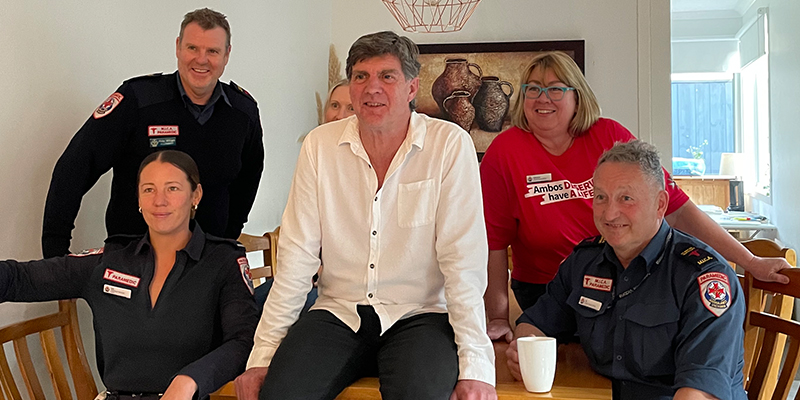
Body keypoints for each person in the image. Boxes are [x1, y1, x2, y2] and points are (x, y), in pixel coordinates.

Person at [234, 31, 496, 400]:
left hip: (420, 316)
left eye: (387, 76)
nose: (372, 88)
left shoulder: (449, 145)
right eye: (361, 76)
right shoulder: (319, 147)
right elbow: (296, 260)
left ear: (411, 87)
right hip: (339, 312)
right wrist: (262, 356)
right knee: (283, 393)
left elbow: (463, 263)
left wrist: (477, 368)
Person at [480, 51, 790, 342]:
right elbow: (493, 243)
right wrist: (497, 317)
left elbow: (677, 209)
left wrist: (749, 261)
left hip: (623, 279)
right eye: (532, 89)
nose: (541, 98)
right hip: (547, 289)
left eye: (555, 88)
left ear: (578, 96)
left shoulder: (609, 136)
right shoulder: (504, 153)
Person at [1, 150, 259, 400]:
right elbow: (19, 279)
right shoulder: (109, 261)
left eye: (172, 188)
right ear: (138, 199)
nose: (159, 200)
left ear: (196, 195)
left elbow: (242, 341)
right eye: (149, 189)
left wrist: (189, 381)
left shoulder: (223, 261)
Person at [507, 140, 747, 400]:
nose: (610, 214)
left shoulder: (702, 277)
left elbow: (699, 393)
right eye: (601, 197)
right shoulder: (584, 262)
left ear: (660, 204)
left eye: (626, 198)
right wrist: (524, 350)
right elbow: (536, 324)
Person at [42, 8, 264, 259]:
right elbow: (75, 167)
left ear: (227, 55)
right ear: (178, 47)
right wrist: (55, 253)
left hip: (207, 264)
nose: (201, 60)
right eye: (192, 48)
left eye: (212, 51)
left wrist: (226, 237)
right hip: (134, 261)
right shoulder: (138, 100)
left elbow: (248, 181)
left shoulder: (243, 113)